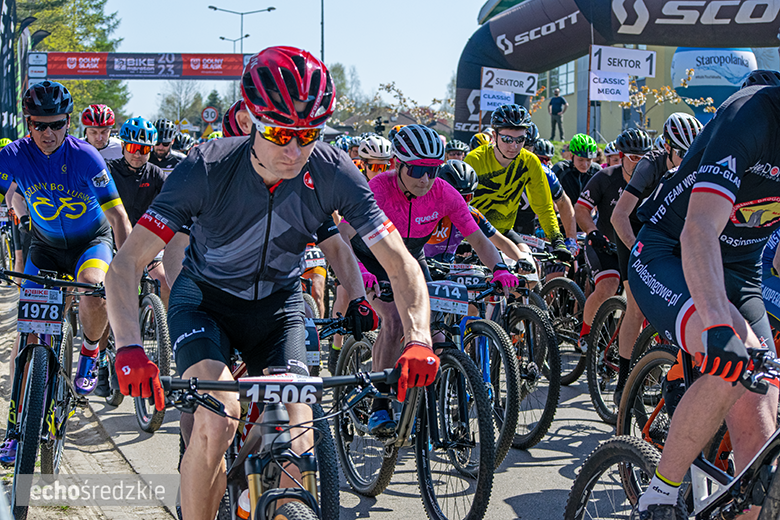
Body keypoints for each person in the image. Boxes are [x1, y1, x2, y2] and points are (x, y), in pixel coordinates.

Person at [105, 46, 439, 520]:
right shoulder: (205, 167)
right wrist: (129, 348)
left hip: (279, 308)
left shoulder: (334, 171)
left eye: (308, 135)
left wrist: (418, 337)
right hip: (204, 303)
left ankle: (266, 501)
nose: (294, 150)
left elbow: (400, 264)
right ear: (250, 120)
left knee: (297, 435)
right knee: (218, 421)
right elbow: (125, 265)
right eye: (280, 133)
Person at [628, 78, 780, 520]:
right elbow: (698, 229)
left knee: (760, 442)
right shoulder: (749, 116)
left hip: (742, 273)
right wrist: (716, 323)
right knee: (739, 361)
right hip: (670, 253)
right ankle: (659, 495)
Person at [339, 124, 519, 436]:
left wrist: (500, 268)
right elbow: (342, 239)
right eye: (418, 170)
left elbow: (478, 239)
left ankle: (428, 399)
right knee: (394, 318)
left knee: (432, 327)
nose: (425, 179)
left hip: (409, 258)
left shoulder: (443, 192)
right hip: (367, 259)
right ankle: (380, 405)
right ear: (398, 164)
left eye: (433, 170)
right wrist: (363, 275)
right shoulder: (378, 189)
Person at [0, 81, 133, 464]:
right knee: (28, 335)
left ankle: (91, 352)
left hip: (90, 242)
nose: (47, 133)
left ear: (68, 122)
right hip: (44, 247)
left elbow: (118, 216)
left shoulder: (87, 157)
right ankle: (15, 430)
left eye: (56, 124)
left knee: (93, 289)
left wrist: (123, 267)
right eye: (39, 125)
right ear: (28, 124)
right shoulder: (13, 155)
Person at [611, 115, 702, 403]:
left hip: (671, 235)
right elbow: (618, 215)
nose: (688, 160)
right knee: (636, 309)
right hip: (634, 232)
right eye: (682, 154)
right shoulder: (649, 165)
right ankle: (624, 382)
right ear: (667, 147)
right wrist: (639, 250)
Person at [575, 128, 651, 366]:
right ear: (621, 155)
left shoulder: (653, 179)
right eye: (633, 158)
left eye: (644, 157)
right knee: (608, 285)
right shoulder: (606, 176)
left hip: (634, 247)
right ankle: (586, 333)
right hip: (604, 244)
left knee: (642, 301)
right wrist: (592, 232)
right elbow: (581, 209)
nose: (639, 163)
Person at [464, 103, 572, 262]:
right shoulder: (474, 160)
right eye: (507, 139)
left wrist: (557, 239)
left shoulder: (530, 162)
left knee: (531, 273)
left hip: (505, 232)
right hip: (473, 233)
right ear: (494, 136)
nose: (514, 146)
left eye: (520, 139)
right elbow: (459, 206)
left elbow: (543, 206)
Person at [107, 117, 169, 301]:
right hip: (112, 243)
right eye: (133, 148)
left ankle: (161, 327)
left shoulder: (156, 173)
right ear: (124, 146)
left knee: (164, 282)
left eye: (144, 149)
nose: (138, 154)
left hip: (145, 242)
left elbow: (172, 201)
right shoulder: (109, 171)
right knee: (105, 292)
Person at [552, 133, 602, 209]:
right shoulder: (560, 170)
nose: (585, 165)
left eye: (589, 160)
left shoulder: (597, 171)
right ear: (571, 156)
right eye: (580, 160)